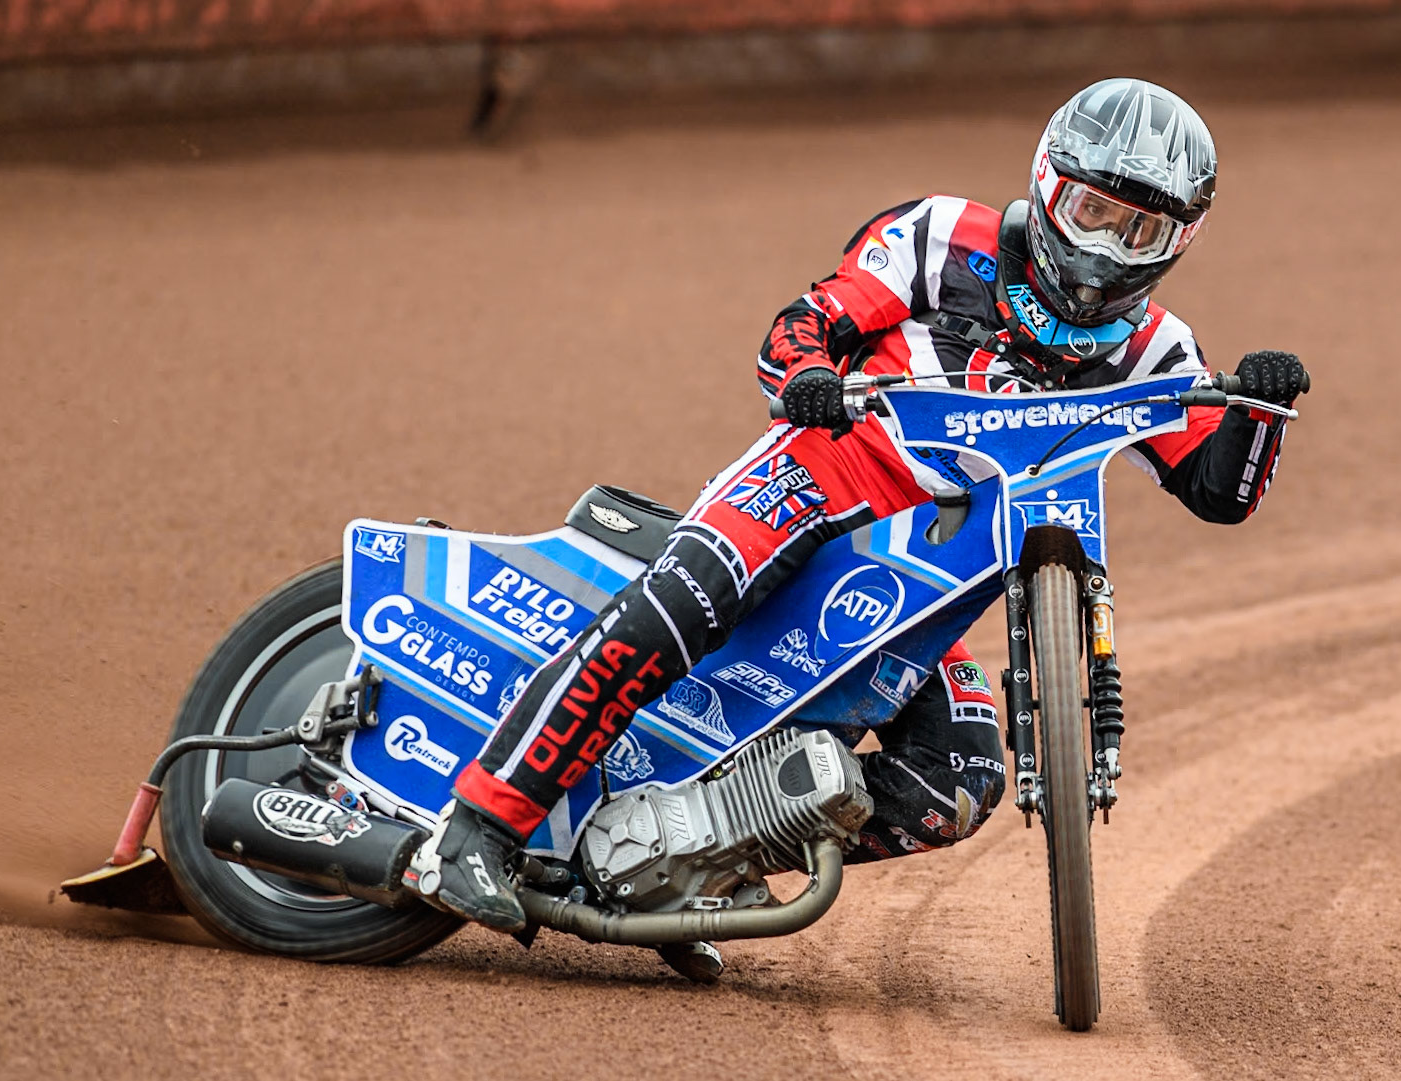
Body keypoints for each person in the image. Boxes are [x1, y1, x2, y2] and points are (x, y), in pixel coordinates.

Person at [430, 77, 1309, 933]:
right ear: (1047, 185)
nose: (1106, 248)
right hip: (823, 474)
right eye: (1092, 212)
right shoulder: (937, 235)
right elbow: (803, 324)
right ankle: (479, 824)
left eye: (1140, 227)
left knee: (957, 783)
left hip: (934, 567)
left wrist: (1261, 413)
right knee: (680, 604)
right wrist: (808, 378)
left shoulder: (1162, 348)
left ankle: (686, 861)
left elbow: (1218, 494)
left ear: (1178, 241)